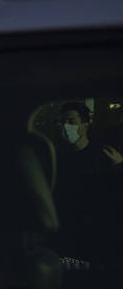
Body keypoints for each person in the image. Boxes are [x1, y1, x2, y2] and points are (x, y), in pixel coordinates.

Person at [52, 101, 122, 262]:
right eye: (61, 122)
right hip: (65, 233)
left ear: (85, 124)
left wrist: (119, 167)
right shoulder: (55, 157)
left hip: (96, 234)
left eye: (71, 121)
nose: (65, 126)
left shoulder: (104, 155)